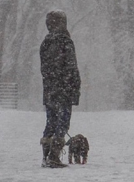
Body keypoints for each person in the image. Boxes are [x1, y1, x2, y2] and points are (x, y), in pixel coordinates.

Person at [39, 10, 81, 168]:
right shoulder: (65, 42)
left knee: (50, 122)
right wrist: (74, 88)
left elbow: (44, 69)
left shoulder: (45, 43)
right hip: (64, 90)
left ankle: (45, 155)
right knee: (62, 123)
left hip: (50, 90)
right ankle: (54, 156)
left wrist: (51, 82)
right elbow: (71, 68)